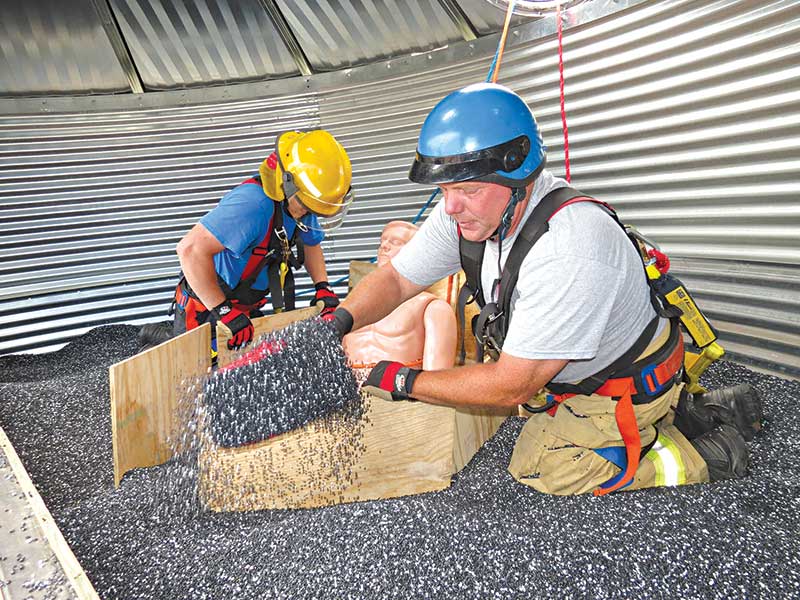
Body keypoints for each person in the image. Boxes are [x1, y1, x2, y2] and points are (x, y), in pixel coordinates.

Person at [325, 83, 762, 496]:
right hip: (572, 371)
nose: (450, 205)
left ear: (519, 177)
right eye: (443, 189)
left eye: (466, 189)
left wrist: (400, 378)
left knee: (544, 466)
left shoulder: (568, 247)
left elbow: (510, 385)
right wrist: (338, 322)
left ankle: (703, 454)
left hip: (618, 380)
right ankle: (697, 413)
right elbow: (398, 278)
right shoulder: (466, 213)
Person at [142, 129, 353, 352]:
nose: (310, 213)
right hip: (208, 303)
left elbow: (311, 241)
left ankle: (162, 334)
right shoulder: (253, 204)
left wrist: (323, 288)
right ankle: (154, 337)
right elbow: (189, 250)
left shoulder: (303, 199)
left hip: (244, 305)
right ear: (288, 183)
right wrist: (224, 311)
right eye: (307, 207)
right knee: (190, 366)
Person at [343, 221, 457, 375]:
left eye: (396, 242)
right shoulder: (351, 304)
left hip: (398, 395)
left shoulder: (433, 308)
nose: (384, 246)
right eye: (382, 241)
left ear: (419, 253)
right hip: (345, 394)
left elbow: (437, 382)